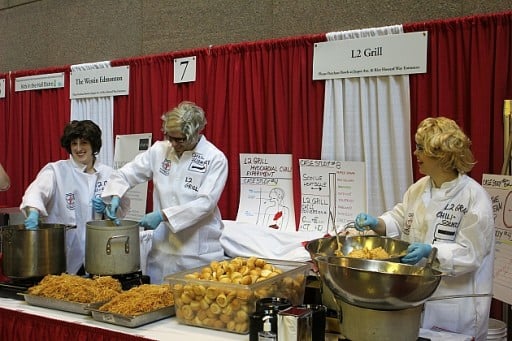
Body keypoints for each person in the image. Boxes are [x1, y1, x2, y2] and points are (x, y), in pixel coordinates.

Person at [354, 117, 495, 340]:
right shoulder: (419, 188)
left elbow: (472, 254)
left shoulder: (474, 198)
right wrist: (377, 223)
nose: (415, 153)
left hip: (455, 304)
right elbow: (400, 219)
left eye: (421, 148)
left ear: (440, 155)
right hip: (418, 298)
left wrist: (431, 251)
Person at [101, 101, 228, 284]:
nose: (174, 144)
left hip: (196, 253)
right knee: (158, 301)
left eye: (180, 139)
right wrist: (115, 195)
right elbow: (126, 173)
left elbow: (205, 204)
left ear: (196, 133)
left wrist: (163, 215)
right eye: (170, 137)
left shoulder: (214, 158)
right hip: (162, 251)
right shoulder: (159, 150)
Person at [20, 120, 128, 275]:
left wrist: (107, 209)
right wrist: (33, 212)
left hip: (101, 251)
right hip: (65, 252)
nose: (78, 148)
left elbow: (121, 210)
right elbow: (37, 191)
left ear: (94, 145)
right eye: (74, 144)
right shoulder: (56, 170)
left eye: (84, 143)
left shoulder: (108, 173)